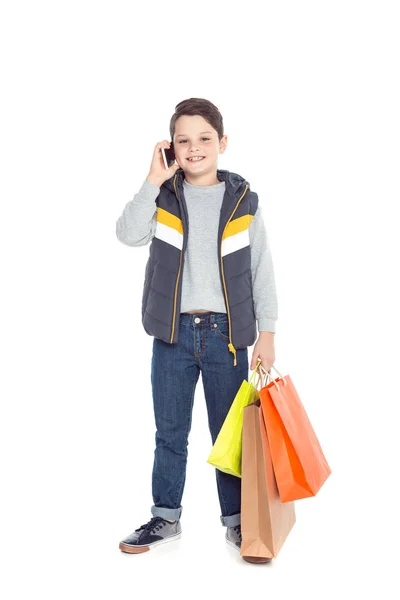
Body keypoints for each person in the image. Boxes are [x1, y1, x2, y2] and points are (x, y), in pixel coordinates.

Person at [115, 98, 278, 558]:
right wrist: (153, 178)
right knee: (170, 432)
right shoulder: (165, 197)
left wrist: (267, 332)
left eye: (204, 138)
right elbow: (127, 233)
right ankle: (165, 518)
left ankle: (239, 521)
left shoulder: (243, 200)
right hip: (173, 335)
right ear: (171, 148)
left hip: (227, 337)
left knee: (230, 433)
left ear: (222, 143)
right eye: (183, 140)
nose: (194, 147)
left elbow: (261, 268)